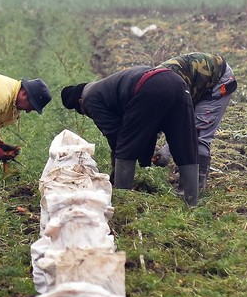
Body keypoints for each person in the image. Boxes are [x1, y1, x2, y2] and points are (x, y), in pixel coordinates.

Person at [59, 66, 200, 207]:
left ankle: (122, 199)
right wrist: (145, 159)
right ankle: (191, 202)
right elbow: (146, 127)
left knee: (125, 147)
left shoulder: (89, 98)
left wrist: (116, 173)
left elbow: (115, 134)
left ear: (79, 102)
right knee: (185, 144)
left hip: (150, 86)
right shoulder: (105, 87)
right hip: (177, 82)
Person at [152, 52, 237, 193]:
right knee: (189, 129)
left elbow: (185, 126)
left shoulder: (163, 93)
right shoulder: (153, 92)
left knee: (199, 134)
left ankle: (193, 189)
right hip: (195, 84)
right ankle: (187, 179)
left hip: (218, 81)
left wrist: (165, 152)